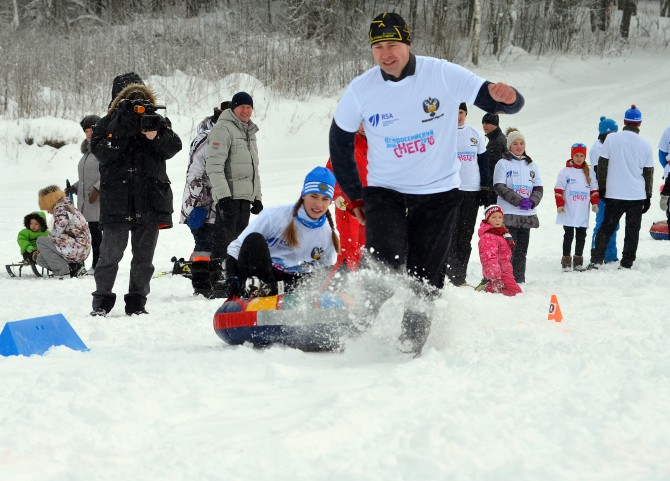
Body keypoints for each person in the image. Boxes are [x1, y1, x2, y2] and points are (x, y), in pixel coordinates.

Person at [329, 12, 525, 355]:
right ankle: (360, 329)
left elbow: (490, 98)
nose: (385, 54)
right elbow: (339, 141)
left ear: (407, 43)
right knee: (384, 262)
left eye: (392, 44)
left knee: (424, 272)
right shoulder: (362, 89)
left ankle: (411, 341)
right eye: (378, 47)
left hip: (436, 193)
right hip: (385, 191)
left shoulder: (442, 74)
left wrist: (507, 98)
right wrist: (356, 196)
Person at [89, 73, 182, 316]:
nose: (135, 104)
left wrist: (155, 135)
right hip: (117, 201)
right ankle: (101, 302)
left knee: (143, 258)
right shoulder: (106, 124)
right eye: (128, 100)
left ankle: (137, 302)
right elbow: (103, 153)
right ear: (117, 101)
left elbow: (173, 147)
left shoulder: (156, 121)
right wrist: (121, 124)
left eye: (139, 99)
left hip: (149, 200)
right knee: (109, 255)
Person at [221, 167, 339, 298]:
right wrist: (232, 277)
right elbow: (236, 248)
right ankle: (256, 292)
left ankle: (273, 292)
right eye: (314, 196)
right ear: (303, 195)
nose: (318, 204)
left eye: (325, 199)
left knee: (322, 277)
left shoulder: (329, 234)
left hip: (292, 284)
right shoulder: (274, 216)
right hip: (264, 276)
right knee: (254, 239)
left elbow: (325, 272)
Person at [206, 91, 263, 293]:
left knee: (239, 239)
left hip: (244, 197)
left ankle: (234, 276)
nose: (246, 111)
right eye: (242, 107)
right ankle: (217, 278)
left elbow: (254, 168)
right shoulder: (223, 129)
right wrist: (223, 197)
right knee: (224, 238)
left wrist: (257, 197)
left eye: (249, 107)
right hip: (229, 195)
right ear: (234, 108)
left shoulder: (249, 131)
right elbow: (213, 165)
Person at [589, 105, 654, 270]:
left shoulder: (611, 139)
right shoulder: (645, 144)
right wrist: (648, 196)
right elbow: (648, 173)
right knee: (632, 231)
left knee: (606, 227)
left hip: (615, 194)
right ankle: (626, 263)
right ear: (639, 124)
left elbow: (602, 166)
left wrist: (603, 188)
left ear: (625, 121)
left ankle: (596, 260)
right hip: (637, 196)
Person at [180, 100, 230, 297]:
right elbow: (195, 174)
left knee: (215, 243)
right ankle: (201, 285)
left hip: (216, 202)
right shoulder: (207, 140)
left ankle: (214, 280)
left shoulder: (223, 136)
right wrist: (201, 202)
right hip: (202, 203)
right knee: (204, 245)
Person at [493, 128, 543, 283]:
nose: (519, 146)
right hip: (509, 215)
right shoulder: (503, 163)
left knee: (522, 250)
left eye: (521, 143)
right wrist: (518, 200)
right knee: (508, 250)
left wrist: (532, 201)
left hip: (526, 216)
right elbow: (499, 186)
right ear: (509, 146)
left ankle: (519, 279)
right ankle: (505, 279)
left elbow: (538, 188)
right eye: (515, 143)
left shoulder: (531, 165)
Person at [446, 102, 488, 286]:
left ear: (466, 113)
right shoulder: (444, 133)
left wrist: (485, 189)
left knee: (466, 234)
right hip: (450, 191)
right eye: (454, 112)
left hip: (472, 191)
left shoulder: (475, 133)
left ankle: (459, 276)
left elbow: (483, 163)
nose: (458, 116)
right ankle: (446, 274)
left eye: (461, 112)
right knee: (450, 233)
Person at [325, 123, 368, 271]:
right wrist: (337, 195)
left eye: (367, 121)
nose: (363, 127)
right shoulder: (346, 143)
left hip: (374, 204)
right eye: (360, 122)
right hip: (348, 206)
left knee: (368, 248)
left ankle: (363, 282)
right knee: (349, 248)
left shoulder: (382, 144)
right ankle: (344, 283)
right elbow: (330, 172)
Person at [64, 114, 102, 275]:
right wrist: (73, 187)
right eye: (86, 130)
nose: (89, 133)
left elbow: (110, 174)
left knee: (96, 235)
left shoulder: (103, 151)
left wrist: (98, 188)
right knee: (85, 236)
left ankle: (98, 265)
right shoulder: (86, 154)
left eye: (92, 129)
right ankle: (82, 264)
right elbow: (85, 179)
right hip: (84, 203)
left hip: (99, 202)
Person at [554, 143, 599, 272]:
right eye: (576, 155)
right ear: (572, 156)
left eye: (581, 156)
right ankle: (566, 261)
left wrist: (594, 203)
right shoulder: (565, 172)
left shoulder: (589, 172)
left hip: (582, 210)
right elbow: (558, 189)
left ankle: (578, 261)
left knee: (581, 235)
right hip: (569, 209)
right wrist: (560, 205)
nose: (579, 158)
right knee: (568, 235)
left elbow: (594, 189)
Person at [35, 185, 91, 278]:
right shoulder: (68, 206)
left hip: (76, 247)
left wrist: (46, 242)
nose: (48, 212)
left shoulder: (61, 208)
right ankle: (74, 268)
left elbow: (59, 228)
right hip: (80, 249)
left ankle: (62, 272)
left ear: (49, 201)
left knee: (41, 241)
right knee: (40, 259)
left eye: (46, 207)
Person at [590, 116, 619, 263]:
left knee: (614, 223)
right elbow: (598, 172)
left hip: (614, 192)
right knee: (601, 223)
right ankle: (597, 253)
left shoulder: (612, 145)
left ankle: (610, 255)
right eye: (612, 133)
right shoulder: (598, 148)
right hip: (602, 193)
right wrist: (602, 192)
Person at [476, 204, 521, 296]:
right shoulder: (488, 236)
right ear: (487, 219)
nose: (497, 220)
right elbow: (489, 256)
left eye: (500, 217)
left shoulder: (502, 233)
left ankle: (488, 288)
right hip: (498, 273)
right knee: (514, 293)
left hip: (505, 270)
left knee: (514, 292)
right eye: (494, 217)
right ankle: (487, 288)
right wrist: (494, 273)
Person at [482, 113, 507, 206]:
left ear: (495, 124)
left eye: (488, 122)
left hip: (494, 189)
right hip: (497, 188)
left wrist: (487, 189)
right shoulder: (497, 138)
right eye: (483, 122)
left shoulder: (496, 142)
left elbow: (493, 168)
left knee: (492, 217)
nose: (485, 125)